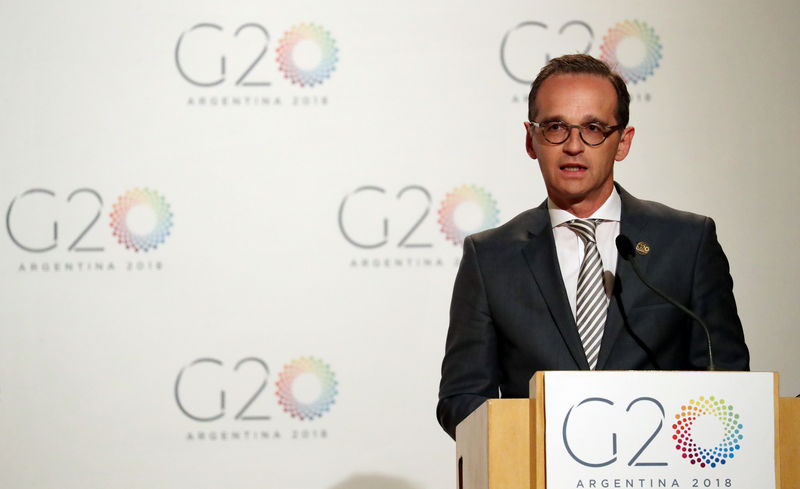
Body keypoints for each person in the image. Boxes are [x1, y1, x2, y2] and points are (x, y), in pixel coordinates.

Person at [436, 54, 749, 440]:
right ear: (531, 139)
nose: (573, 145)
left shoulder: (687, 242)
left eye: (594, 128)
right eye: (555, 127)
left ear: (622, 142)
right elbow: (462, 397)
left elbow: (728, 380)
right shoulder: (490, 258)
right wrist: (544, 439)